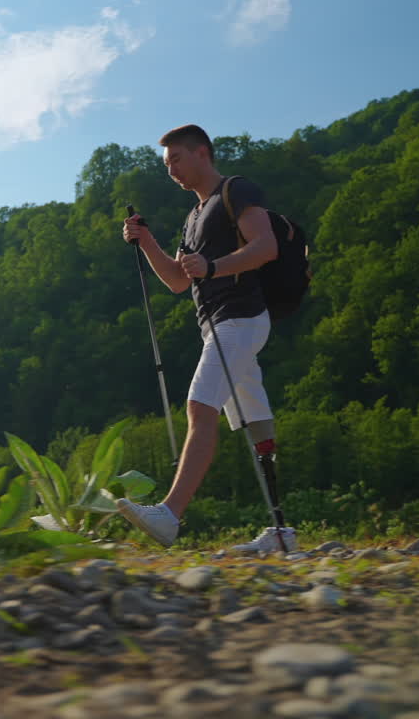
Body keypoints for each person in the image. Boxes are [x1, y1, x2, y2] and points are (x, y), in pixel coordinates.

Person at [116, 124, 297, 553]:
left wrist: (213, 267)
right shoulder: (193, 218)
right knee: (257, 422)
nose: (171, 170)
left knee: (200, 407)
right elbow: (179, 281)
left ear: (201, 153)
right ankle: (280, 533)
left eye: (176, 159)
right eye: (166, 165)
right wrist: (146, 242)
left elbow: (266, 246)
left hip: (240, 318)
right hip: (215, 324)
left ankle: (169, 515)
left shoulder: (236, 191)